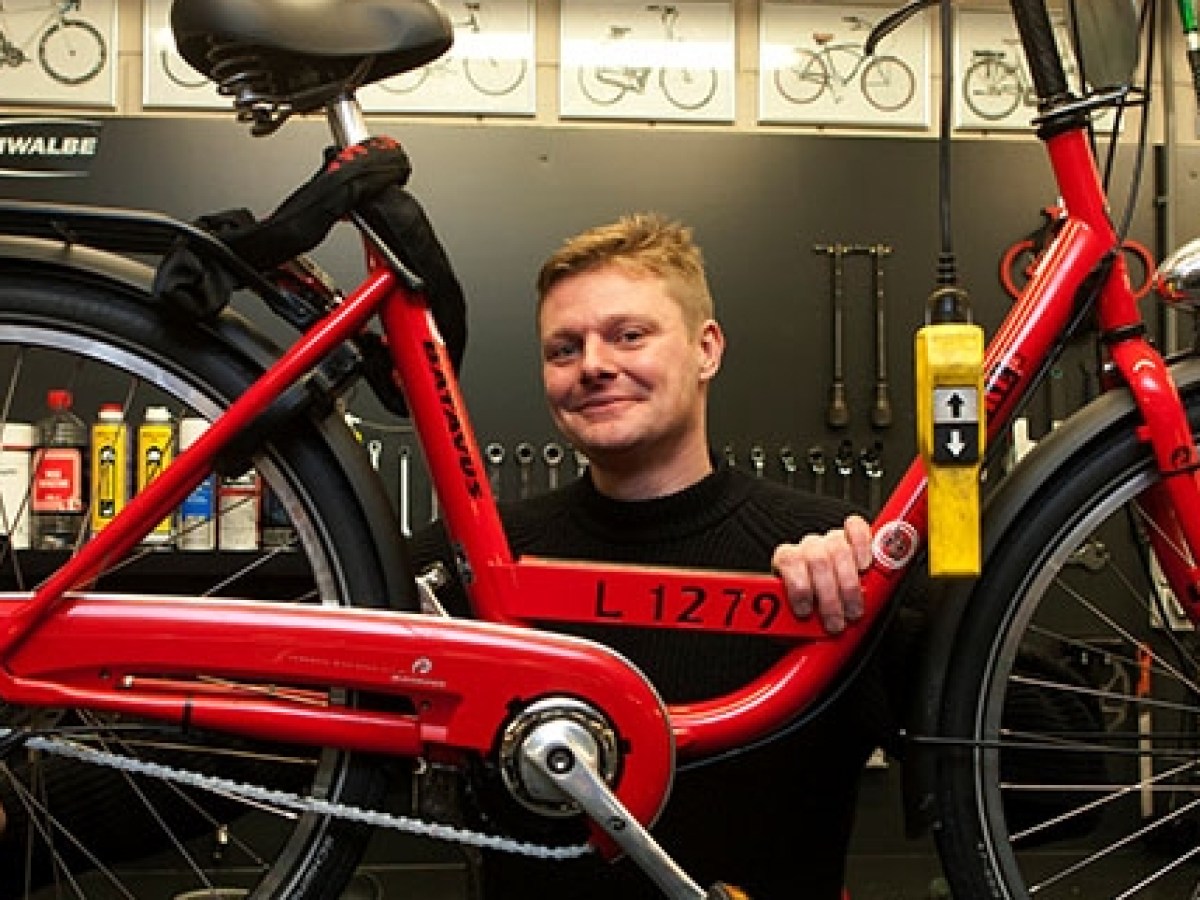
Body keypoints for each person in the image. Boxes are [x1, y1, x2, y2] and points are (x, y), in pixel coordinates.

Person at [410, 212, 910, 900]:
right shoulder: (463, 562)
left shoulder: (836, 562)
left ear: (707, 349)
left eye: (629, 335)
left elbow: (1049, 759)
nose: (593, 365)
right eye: (563, 349)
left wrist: (904, 594)